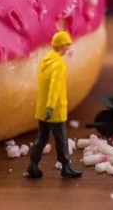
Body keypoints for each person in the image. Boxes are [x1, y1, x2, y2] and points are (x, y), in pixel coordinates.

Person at [25, 31, 82, 179]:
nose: (68, 48)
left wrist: (46, 108)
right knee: (61, 138)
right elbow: (54, 88)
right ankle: (66, 166)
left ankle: (33, 164)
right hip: (54, 110)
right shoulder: (59, 65)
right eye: (67, 45)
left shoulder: (45, 60)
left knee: (42, 138)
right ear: (62, 46)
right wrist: (51, 107)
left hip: (42, 109)